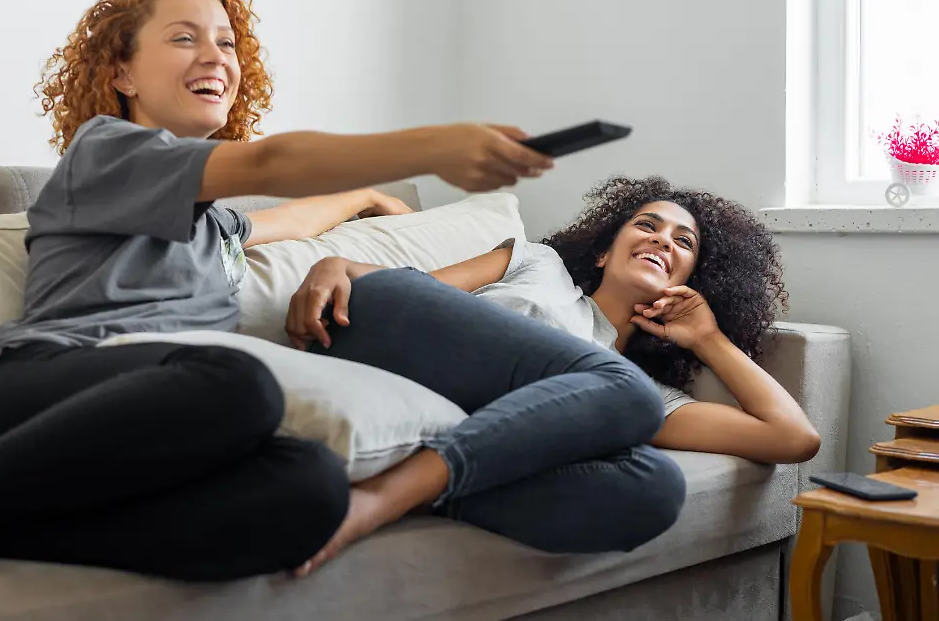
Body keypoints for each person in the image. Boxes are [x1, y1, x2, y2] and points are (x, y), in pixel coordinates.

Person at [0, 0, 555, 581]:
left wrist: (361, 199)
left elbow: (279, 219)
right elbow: (274, 162)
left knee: (309, 486)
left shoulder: (214, 225)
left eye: (227, 43)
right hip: (39, 394)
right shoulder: (106, 154)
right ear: (123, 72)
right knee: (237, 382)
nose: (216, 58)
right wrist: (433, 148)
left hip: (152, 426)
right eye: (185, 38)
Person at [282, 175, 821, 576]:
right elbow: (413, 291)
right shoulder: (537, 263)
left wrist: (708, 338)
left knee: (655, 488)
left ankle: (428, 486)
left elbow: (792, 437)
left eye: (684, 243)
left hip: (476, 420)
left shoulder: (635, 391)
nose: (663, 241)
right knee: (626, 395)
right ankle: (386, 497)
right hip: (391, 337)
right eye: (648, 225)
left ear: (690, 281)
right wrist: (339, 265)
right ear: (607, 251)